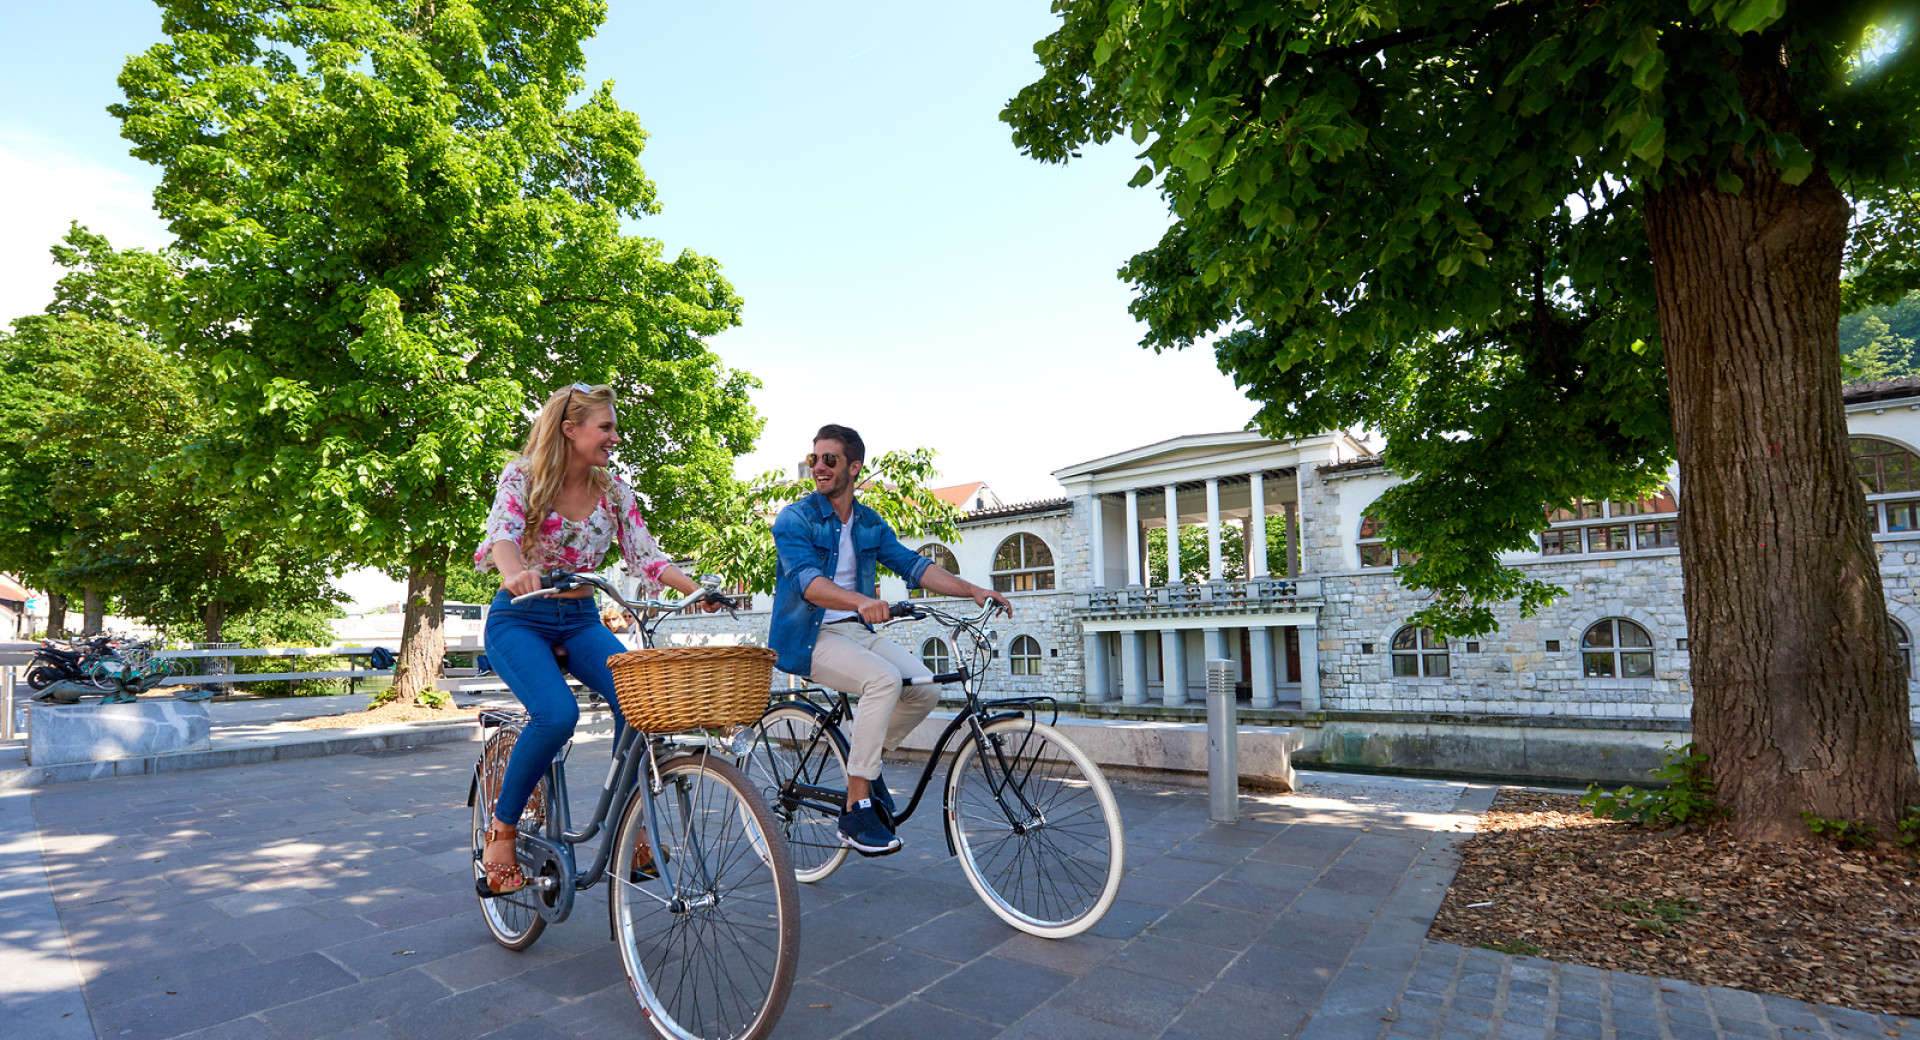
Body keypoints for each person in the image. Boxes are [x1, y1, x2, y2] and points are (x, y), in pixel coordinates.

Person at [474, 382, 712, 896]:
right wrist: (516, 574)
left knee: (639, 704)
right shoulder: (523, 477)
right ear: (570, 430)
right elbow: (504, 538)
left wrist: (700, 590)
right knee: (557, 715)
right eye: (605, 427)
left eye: (613, 427)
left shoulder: (614, 492)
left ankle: (633, 831)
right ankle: (503, 829)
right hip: (521, 617)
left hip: (582, 619)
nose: (614, 437)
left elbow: (646, 556)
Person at [768, 423, 1011, 855]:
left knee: (923, 687)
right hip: (810, 634)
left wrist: (973, 589)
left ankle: (863, 761)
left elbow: (914, 567)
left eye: (830, 460)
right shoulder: (795, 518)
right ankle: (856, 805)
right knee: (882, 680)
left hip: (856, 632)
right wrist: (861, 600)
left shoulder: (868, 523)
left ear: (853, 467)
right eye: (814, 459)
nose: (819, 467)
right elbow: (806, 581)